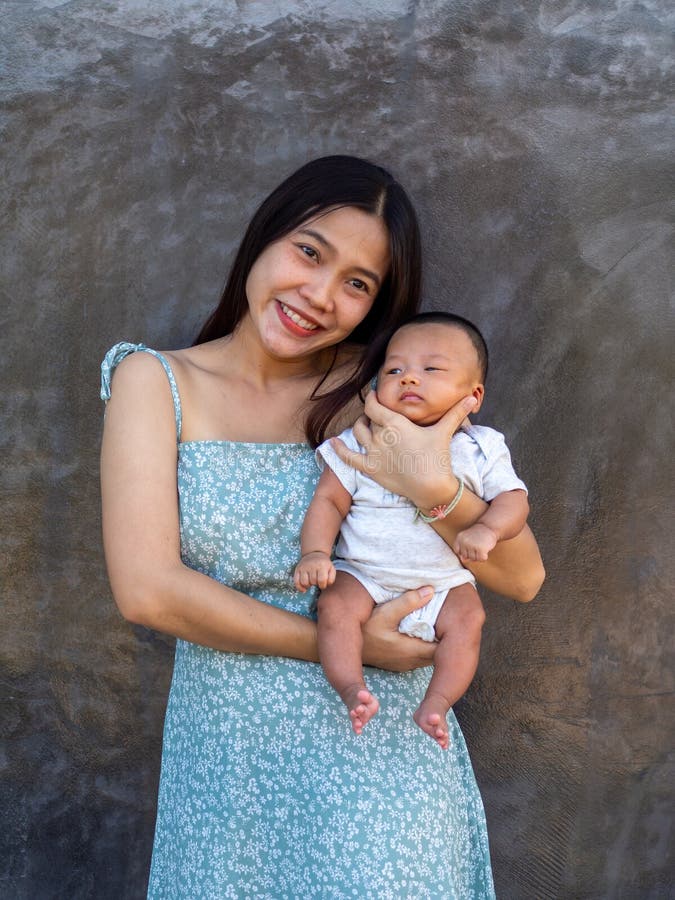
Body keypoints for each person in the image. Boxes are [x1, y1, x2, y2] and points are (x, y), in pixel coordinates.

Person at [100, 155, 545, 898]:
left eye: (357, 284)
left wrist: (429, 486)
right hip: (232, 763)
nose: (318, 295)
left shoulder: (379, 392)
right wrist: (340, 645)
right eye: (309, 252)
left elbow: (522, 578)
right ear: (264, 237)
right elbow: (148, 593)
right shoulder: (156, 382)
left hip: (381, 752)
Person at [294, 312, 530, 750]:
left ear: (472, 395)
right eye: (394, 370)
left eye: (431, 369)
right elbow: (328, 500)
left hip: (442, 583)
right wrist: (315, 553)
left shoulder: (481, 447)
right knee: (335, 608)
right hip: (363, 573)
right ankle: (350, 688)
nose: (408, 379)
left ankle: (436, 702)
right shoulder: (360, 440)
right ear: (374, 389)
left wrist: (489, 531)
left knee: (470, 618)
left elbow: (514, 501)